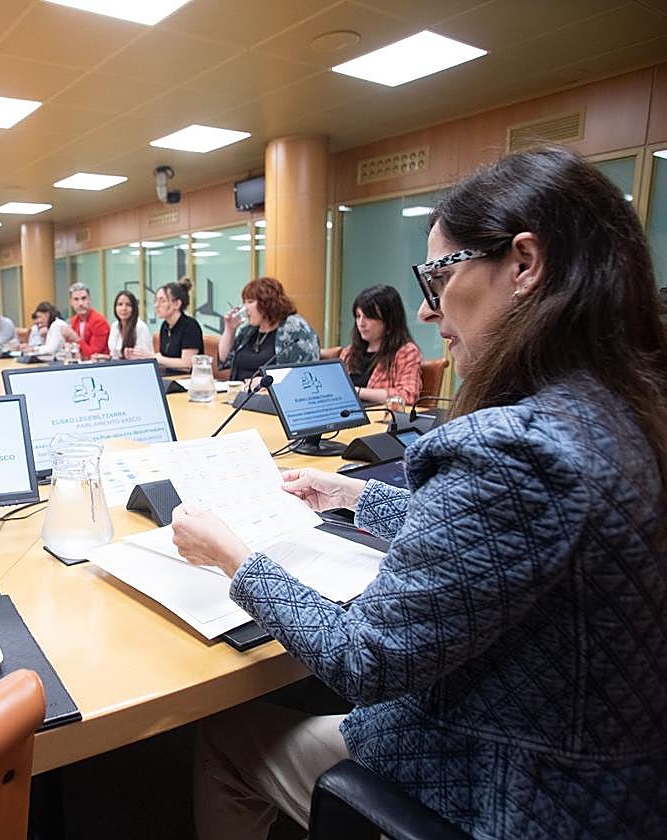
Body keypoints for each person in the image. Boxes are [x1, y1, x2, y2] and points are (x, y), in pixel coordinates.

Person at [173, 148, 667, 838]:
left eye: (438, 275)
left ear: (524, 264)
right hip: (609, 774)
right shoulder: (615, 408)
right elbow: (503, 540)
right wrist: (354, 496)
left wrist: (233, 557)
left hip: (514, 789)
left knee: (226, 742)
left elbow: (364, 659)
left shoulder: (516, 446)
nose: (431, 312)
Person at [218, 277, 320, 382]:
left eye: (250, 301)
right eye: (244, 302)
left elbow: (303, 374)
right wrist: (229, 329)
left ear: (267, 302)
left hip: (270, 395)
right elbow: (225, 361)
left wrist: (266, 383)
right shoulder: (249, 330)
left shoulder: (295, 328)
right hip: (239, 393)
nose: (245, 307)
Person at [339, 284, 423, 405]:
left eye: (369, 317)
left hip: (380, 420)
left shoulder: (406, 352)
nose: (361, 323)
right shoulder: (348, 352)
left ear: (388, 320)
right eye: (358, 316)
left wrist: (357, 392)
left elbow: (407, 396)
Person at [128, 279, 203, 372]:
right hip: (169, 378)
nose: (156, 305)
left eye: (162, 301)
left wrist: (153, 357)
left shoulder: (190, 326)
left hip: (186, 381)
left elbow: (187, 364)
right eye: (155, 301)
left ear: (177, 304)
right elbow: (164, 360)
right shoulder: (165, 326)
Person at [59, 283, 110, 360]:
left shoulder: (99, 322)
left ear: (89, 299)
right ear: (71, 302)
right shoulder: (73, 321)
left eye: (84, 298)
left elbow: (93, 355)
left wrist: (76, 338)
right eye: (76, 299)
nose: (80, 303)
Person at [100, 289, 153, 360]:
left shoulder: (140, 327)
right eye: (120, 304)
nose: (123, 308)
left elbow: (144, 358)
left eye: (128, 305)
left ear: (134, 308)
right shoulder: (115, 326)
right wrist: (106, 357)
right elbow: (114, 355)